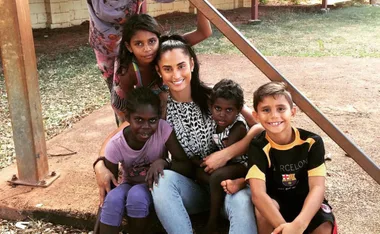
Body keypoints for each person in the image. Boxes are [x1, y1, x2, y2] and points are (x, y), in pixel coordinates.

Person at [94, 35, 263, 234]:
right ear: (159, 71)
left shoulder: (216, 97)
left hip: (230, 187)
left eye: (181, 66)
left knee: (243, 201)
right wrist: (99, 165)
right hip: (193, 189)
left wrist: (226, 154)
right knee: (161, 180)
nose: (176, 75)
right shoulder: (161, 107)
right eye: (167, 69)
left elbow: (259, 126)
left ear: (191, 64)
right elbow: (120, 131)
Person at [226, 82, 337, 234]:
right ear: (256, 116)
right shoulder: (258, 146)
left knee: (324, 227)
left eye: (281, 109)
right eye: (266, 110)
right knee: (262, 211)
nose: (274, 115)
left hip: (305, 200)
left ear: (292, 112)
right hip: (275, 203)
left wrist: (298, 225)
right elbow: (258, 195)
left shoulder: (312, 142)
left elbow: (317, 187)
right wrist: (286, 230)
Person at [97, 87, 192, 234]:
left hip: (154, 186)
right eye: (139, 120)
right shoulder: (116, 145)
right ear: (128, 117)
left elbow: (185, 165)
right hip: (129, 183)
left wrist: (164, 162)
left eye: (152, 120)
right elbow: (108, 188)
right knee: (114, 198)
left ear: (159, 118)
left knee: (137, 195)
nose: (146, 127)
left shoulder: (163, 129)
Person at [111, 12, 212, 123]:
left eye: (152, 41)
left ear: (159, 39)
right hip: (132, 103)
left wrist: (200, 5)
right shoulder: (127, 72)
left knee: (165, 98)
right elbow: (125, 108)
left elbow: (204, 32)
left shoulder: (165, 49)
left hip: (160, 94)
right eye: (139, 44)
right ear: (129, 47)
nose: (147, 49)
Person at [192, 79, 250, 233]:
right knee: (199, 172)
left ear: (238, 110)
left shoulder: (238, 127)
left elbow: (227, 157)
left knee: (217, 176)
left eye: (229, 110)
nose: (222, 114)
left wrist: (205, 162)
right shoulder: (214, 122)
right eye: (218, 108)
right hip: (227, 165)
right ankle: (221, 192)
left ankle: (213, 222)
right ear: (211, 107)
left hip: (243, 165)